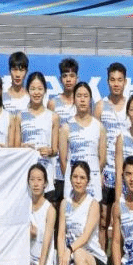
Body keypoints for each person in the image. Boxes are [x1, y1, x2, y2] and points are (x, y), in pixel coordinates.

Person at [0, 163, 56, 265]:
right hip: (22, 262)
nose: (36, 184)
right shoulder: (23, 206)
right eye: (32, 179)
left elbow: (46, 247)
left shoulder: (50, 210)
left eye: (39, 180)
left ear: (46, 183)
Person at [57, 161, 108, 265]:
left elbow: (85, 237)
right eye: (75, 177)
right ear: (70, 179)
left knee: (79, 252)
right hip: (73, 261)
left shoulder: (93, 204)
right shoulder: (65, 203)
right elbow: (60, 235)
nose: (78, 181)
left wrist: (69, 250)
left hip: (94, 261)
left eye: (82, 178)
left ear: (88, 181)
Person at [96, 63, 130, 237]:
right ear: (107, 81)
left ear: (125, 82)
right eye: (112, 80)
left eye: (119, 80)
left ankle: (122, 255)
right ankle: (102, 255)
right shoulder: (100, 106)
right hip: (107, 173)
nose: (116, 84)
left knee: (125, 221)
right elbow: (95, 140)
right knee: (103, 221)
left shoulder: (131, 106)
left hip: (127, 173)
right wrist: (98, 171)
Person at [59, 82, 106, 203]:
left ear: (90, 99)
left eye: (86, 96)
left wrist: (92, 176)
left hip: (92, 183)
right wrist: (73, 178)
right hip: (73, 185)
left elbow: (102, 159)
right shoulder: (66, 127)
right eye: (79, 96)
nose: (82, 100)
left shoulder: (99, 127)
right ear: (74, 99)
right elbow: (63, 161)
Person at [19, 72, 61, 203]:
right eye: (32, 89)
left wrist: (50, 151)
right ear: (27, 91)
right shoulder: (20, 116)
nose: (36, 92)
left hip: (46, 174)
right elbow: (14, 146)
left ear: (45, 91)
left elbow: (55, 150)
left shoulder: (53, 117)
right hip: (25, 174)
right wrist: (22, 147)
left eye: (40, 89)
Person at [48, 58, 79, 197]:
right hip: (56, 168)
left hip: (76, 164)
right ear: (60, 79)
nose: (68, 80)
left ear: (77, 78)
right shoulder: (53, 103)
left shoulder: (83, 101)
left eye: (72, 76)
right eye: (65, 76)